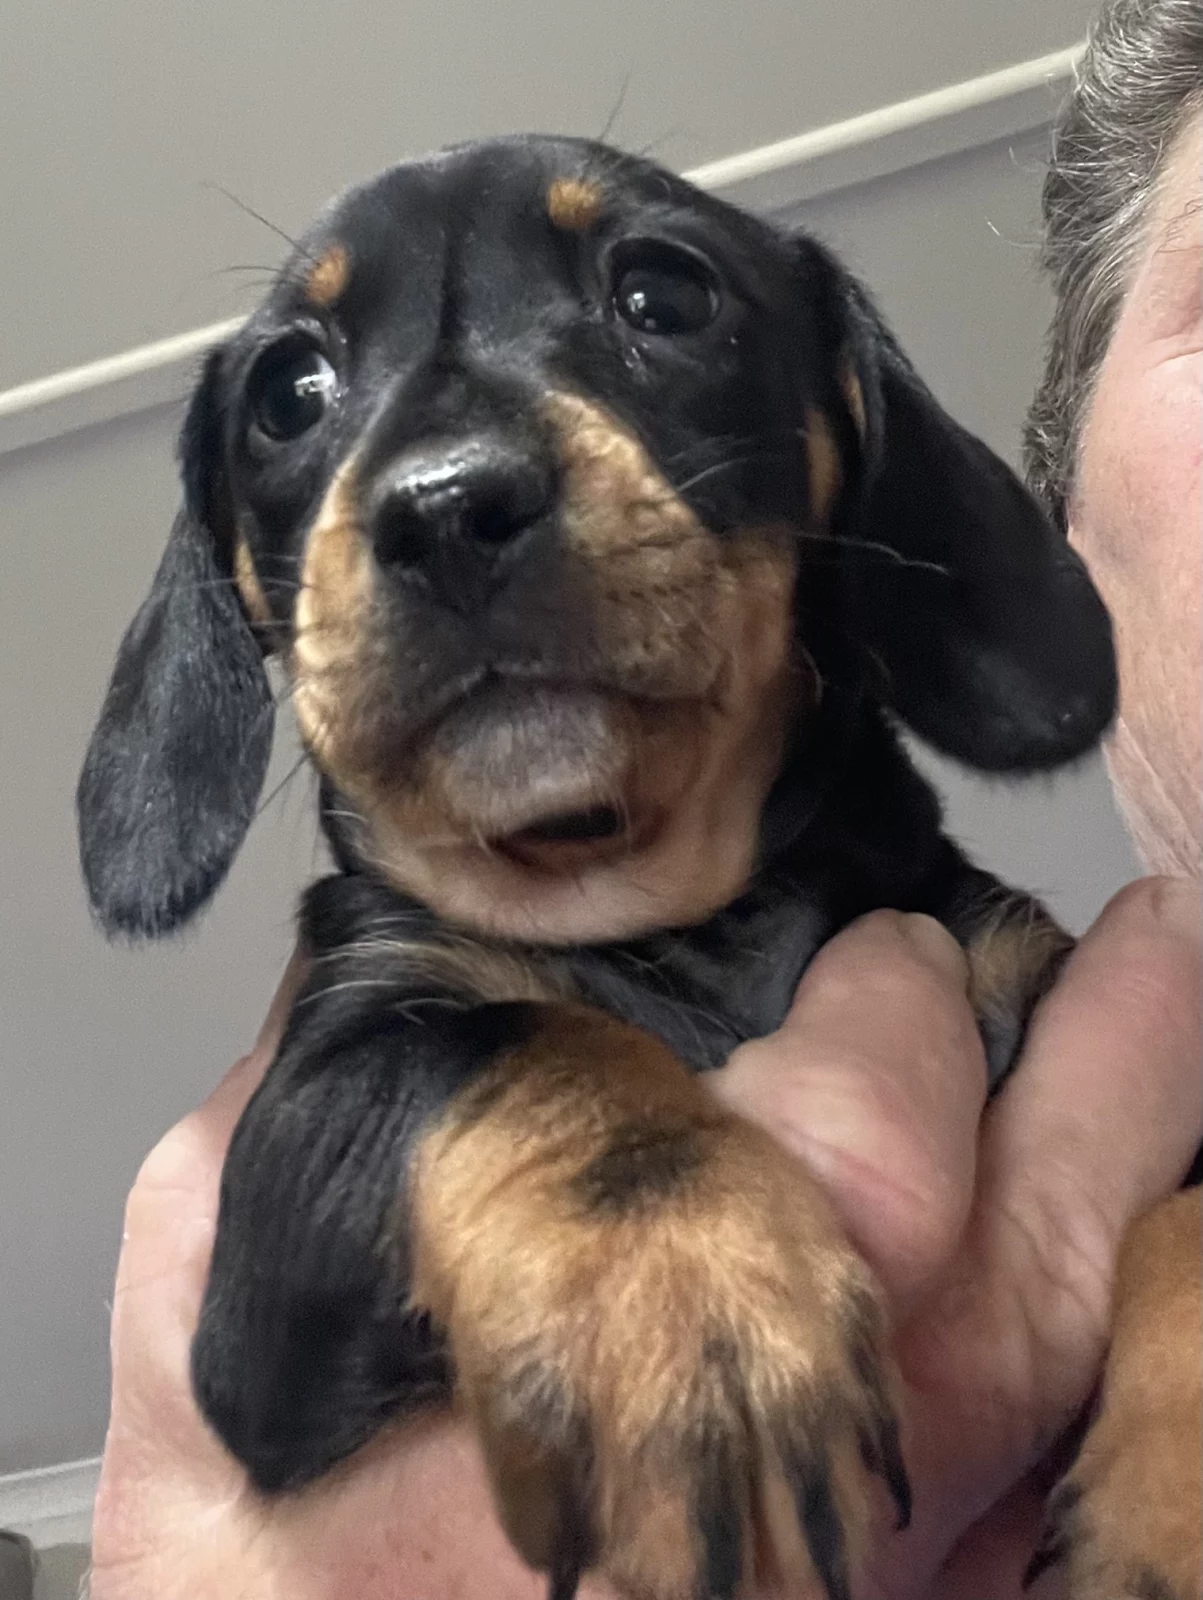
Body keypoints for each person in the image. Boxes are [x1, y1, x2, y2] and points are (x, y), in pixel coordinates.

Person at [87, 1, 1201, 1594]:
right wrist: (581, 1170)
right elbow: (276, 1333)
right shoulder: (367, 1065)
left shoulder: (1011, 974)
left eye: (655, 302)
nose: (442, 484)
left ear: (837, 443)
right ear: (243, 581)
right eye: (296, 397)